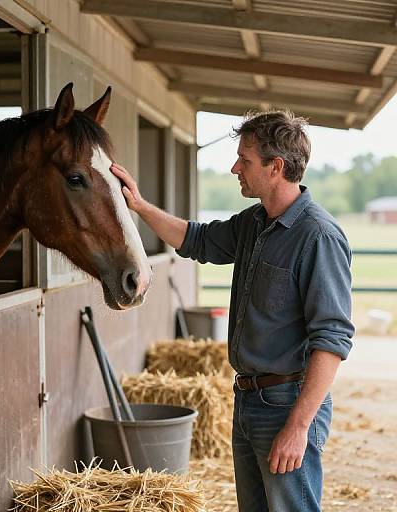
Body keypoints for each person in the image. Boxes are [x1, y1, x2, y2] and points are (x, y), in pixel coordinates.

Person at [110, 109, 354, 512]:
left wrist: (298, 426)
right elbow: (197, 240)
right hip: (248, 400)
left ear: (275, 167)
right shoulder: (254, 223)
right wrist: (139, 206)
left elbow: (332, 339)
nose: (234, 167)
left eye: (245, 159)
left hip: (286, 404)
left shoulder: (318, 236)